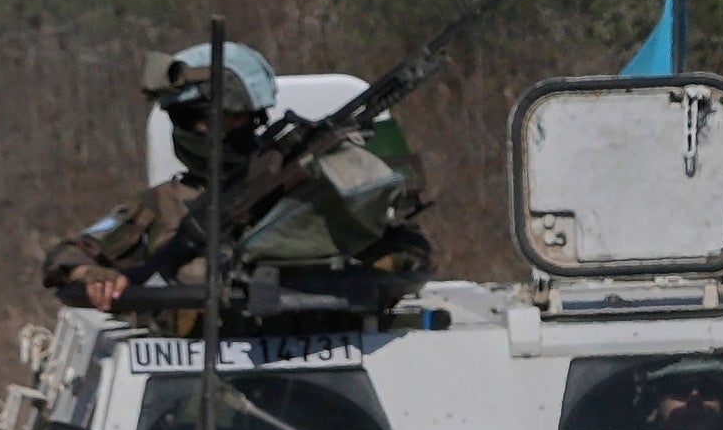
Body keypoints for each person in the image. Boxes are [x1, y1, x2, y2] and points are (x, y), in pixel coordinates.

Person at [45, 39, 434, 322]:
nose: (210, 131)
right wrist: (91, 275)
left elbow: (409, 248)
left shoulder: (306, 183)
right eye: (196, 120)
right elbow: (66, 255)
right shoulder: (164, 203)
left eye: (228, 118)